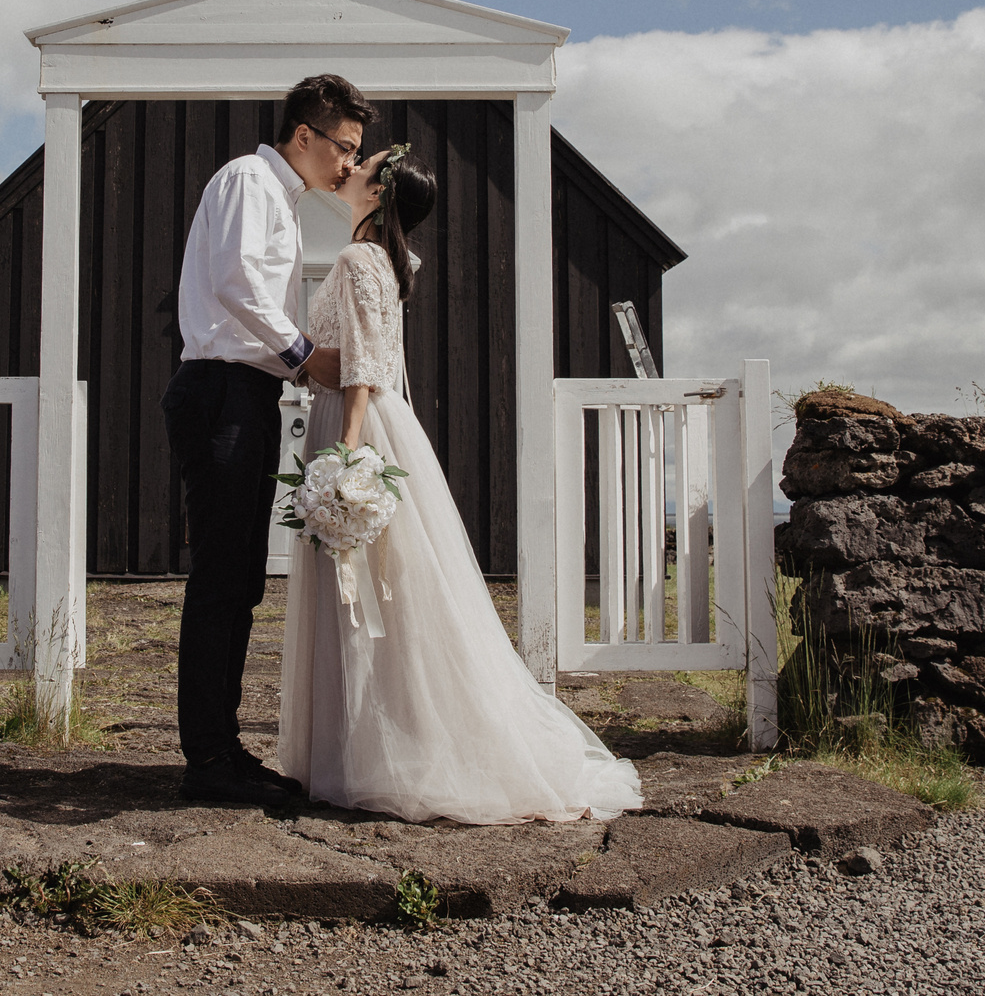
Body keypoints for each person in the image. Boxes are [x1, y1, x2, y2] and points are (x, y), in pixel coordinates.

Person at [278, 144, 643, 824]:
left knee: (368, 596)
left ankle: (367, 752)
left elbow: (359, 365)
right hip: (388, 420)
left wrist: (347, 456)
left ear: (380, 194)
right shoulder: (386, 262)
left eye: (363, 166)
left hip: (359, 423)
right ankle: (373, 743)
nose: (350, 167)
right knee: (393, 595)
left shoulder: (361, 259)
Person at [163, 72, 372, 805]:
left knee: (242, 581)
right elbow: (236, 283)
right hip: (221, 390)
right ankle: (209, 762)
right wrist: (305, 356)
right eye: (344, 147)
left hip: (243, 391)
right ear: (305, 134)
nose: (350, 164)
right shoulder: (251, 180)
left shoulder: (273, 195)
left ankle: (223, 749)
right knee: (221, 579)